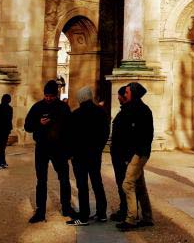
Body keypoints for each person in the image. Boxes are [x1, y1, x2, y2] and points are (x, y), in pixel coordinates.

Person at [25, 80, 74, 223]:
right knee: (41, 180)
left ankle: (66, 207)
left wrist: (69, 149)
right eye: (46, 95)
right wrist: (39, 123)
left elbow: (70, 130)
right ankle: (40, 211)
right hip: (42, 147)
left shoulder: (63, 108)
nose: (48, 98)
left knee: (64, 179)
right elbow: (28, 126)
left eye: (51, 96)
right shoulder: (37, 107)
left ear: (56, 95)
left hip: (59, 148)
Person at [67, 87, 109, 226]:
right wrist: (99, 148)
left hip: (79, 155)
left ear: (80, 99)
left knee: (82, 185)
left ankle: (84, 216)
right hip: (94, 154)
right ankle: (102, 213)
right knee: (97, 182)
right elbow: (105, 133)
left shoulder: (76, 114)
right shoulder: (101, 113)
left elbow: (70, 137)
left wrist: (71, 153)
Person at [116, 82, 154, 232]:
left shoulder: (140, 110)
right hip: (137, 152)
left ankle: (131, 218)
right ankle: (147, 217)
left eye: (127, 92)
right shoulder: (135, 108)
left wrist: (135, 152)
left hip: (138, 153)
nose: (124, 95)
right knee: (139, 185)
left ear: (133, 93)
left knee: (127, 183)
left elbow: (141, 135)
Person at [109, 86, 130, 223]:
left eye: (120, 95)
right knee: (121, 182)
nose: (117, 97)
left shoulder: (128, 112)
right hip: (119, 153)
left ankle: (126, 211)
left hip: (122, 154)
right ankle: (126, 209)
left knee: (124, 183)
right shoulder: (125, 111)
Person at [0, 94, 14, 169]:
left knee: (1, 146)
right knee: (2, 147)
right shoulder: (10, 108)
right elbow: (10, 119)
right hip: (5, 130)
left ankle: (3, 162)